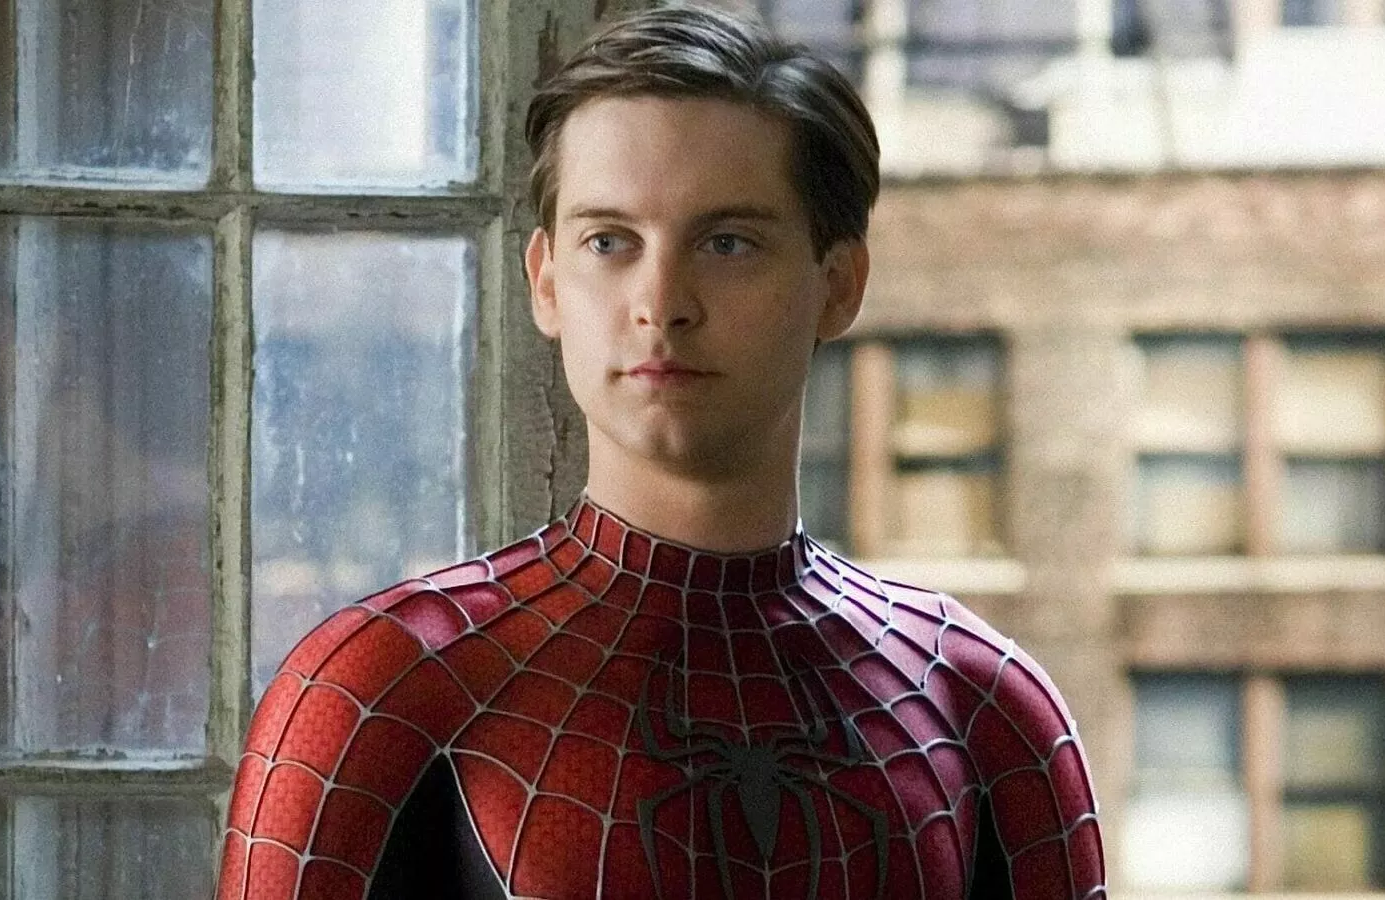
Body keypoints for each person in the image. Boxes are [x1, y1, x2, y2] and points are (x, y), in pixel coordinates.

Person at [215, 5, 1106, 898]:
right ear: (547, 282)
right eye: (610, 241)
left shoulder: (985, 706)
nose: (662, 302)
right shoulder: (382, 690)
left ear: (838, 286)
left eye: (728, 243)